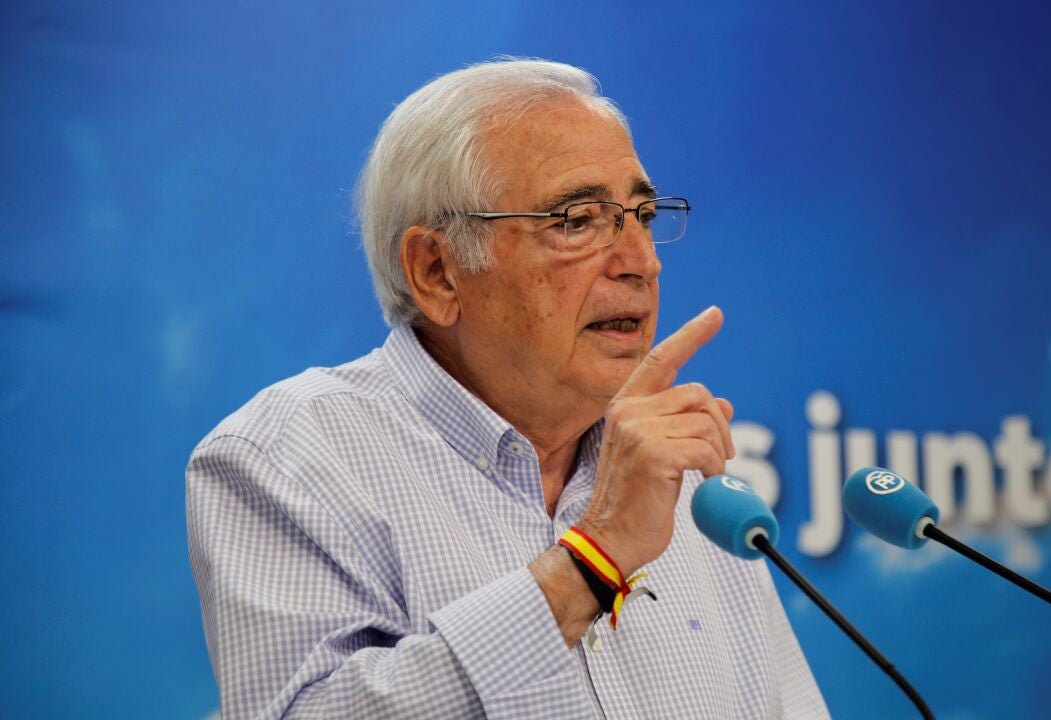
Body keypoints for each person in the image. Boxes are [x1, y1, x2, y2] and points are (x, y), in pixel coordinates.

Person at [187, 58, 827, 719]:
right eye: (577, 220)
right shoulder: (287, 457)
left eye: (642, 215)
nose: (643, 261)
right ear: (437, 271)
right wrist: (594, 559)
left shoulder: (678, 482)